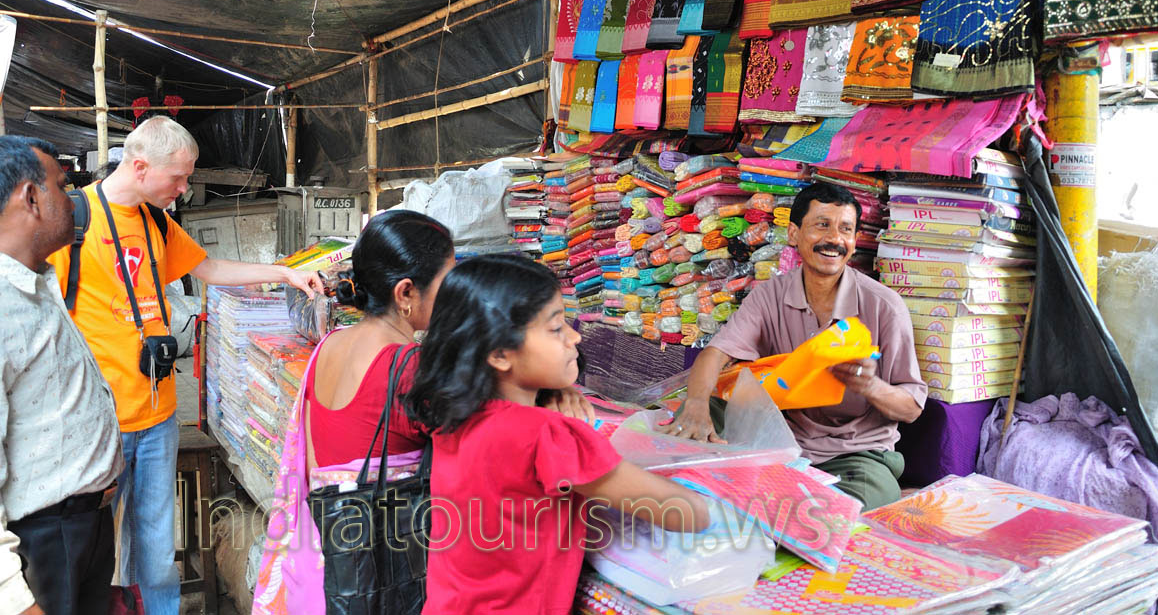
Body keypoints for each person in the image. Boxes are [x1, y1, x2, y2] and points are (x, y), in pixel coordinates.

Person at [253, 211, 597, 614]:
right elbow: (505, 413)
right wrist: (556, 388)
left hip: (327, 563)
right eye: (448, 285)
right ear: (405, 294)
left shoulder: (331, 343)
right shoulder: (409, 370)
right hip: (387, 567)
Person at [46, 116, 322, 615]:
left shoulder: (155, 221)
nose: (184, 188)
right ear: (139, 165)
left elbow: (210, 269)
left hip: (156, 417)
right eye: (178, 177)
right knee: (82, 554)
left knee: (154, 551)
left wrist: (285, 270)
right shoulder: (73, 220)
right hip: (93, 425)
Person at [406, 254, 710, 615]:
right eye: (555, 328)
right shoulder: (546, 434)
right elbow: (689, 513)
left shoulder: (452, 417)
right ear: (500, 354)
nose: (574, 336)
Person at [665, 182, 926, 510]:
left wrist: (871, 386)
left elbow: (912, 408)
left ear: (854, 242)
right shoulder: (768, 295)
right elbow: (717, 353)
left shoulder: (884, 306)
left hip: (852, 454)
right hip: (778, 437)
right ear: (793, 234)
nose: (834, 239)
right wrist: (696, 404)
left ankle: (763, 503)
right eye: (822, 225)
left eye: (846, 229)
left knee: (861, 502)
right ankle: (756, 498)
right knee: (696, 418)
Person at [0, 136, 123, 615]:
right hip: (44, 539)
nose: (75, 202)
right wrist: (12, 594)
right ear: (30, 198)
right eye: (62, 186)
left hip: (80, 524)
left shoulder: (38, 281)